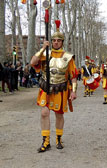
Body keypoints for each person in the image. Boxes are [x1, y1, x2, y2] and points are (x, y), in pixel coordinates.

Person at [30, 20, 77, 152]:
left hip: (60, 88)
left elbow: (73, 75)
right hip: (46, 87)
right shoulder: (45, 54)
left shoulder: (68, 57)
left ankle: (58, 138)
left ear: (62, 42)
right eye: (54, 40)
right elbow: (33, 62)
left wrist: (73, 91)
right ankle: (45, 140)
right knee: (44, 113)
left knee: (59, 114)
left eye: (58, 40)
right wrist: (43, 48)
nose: (56, 42)